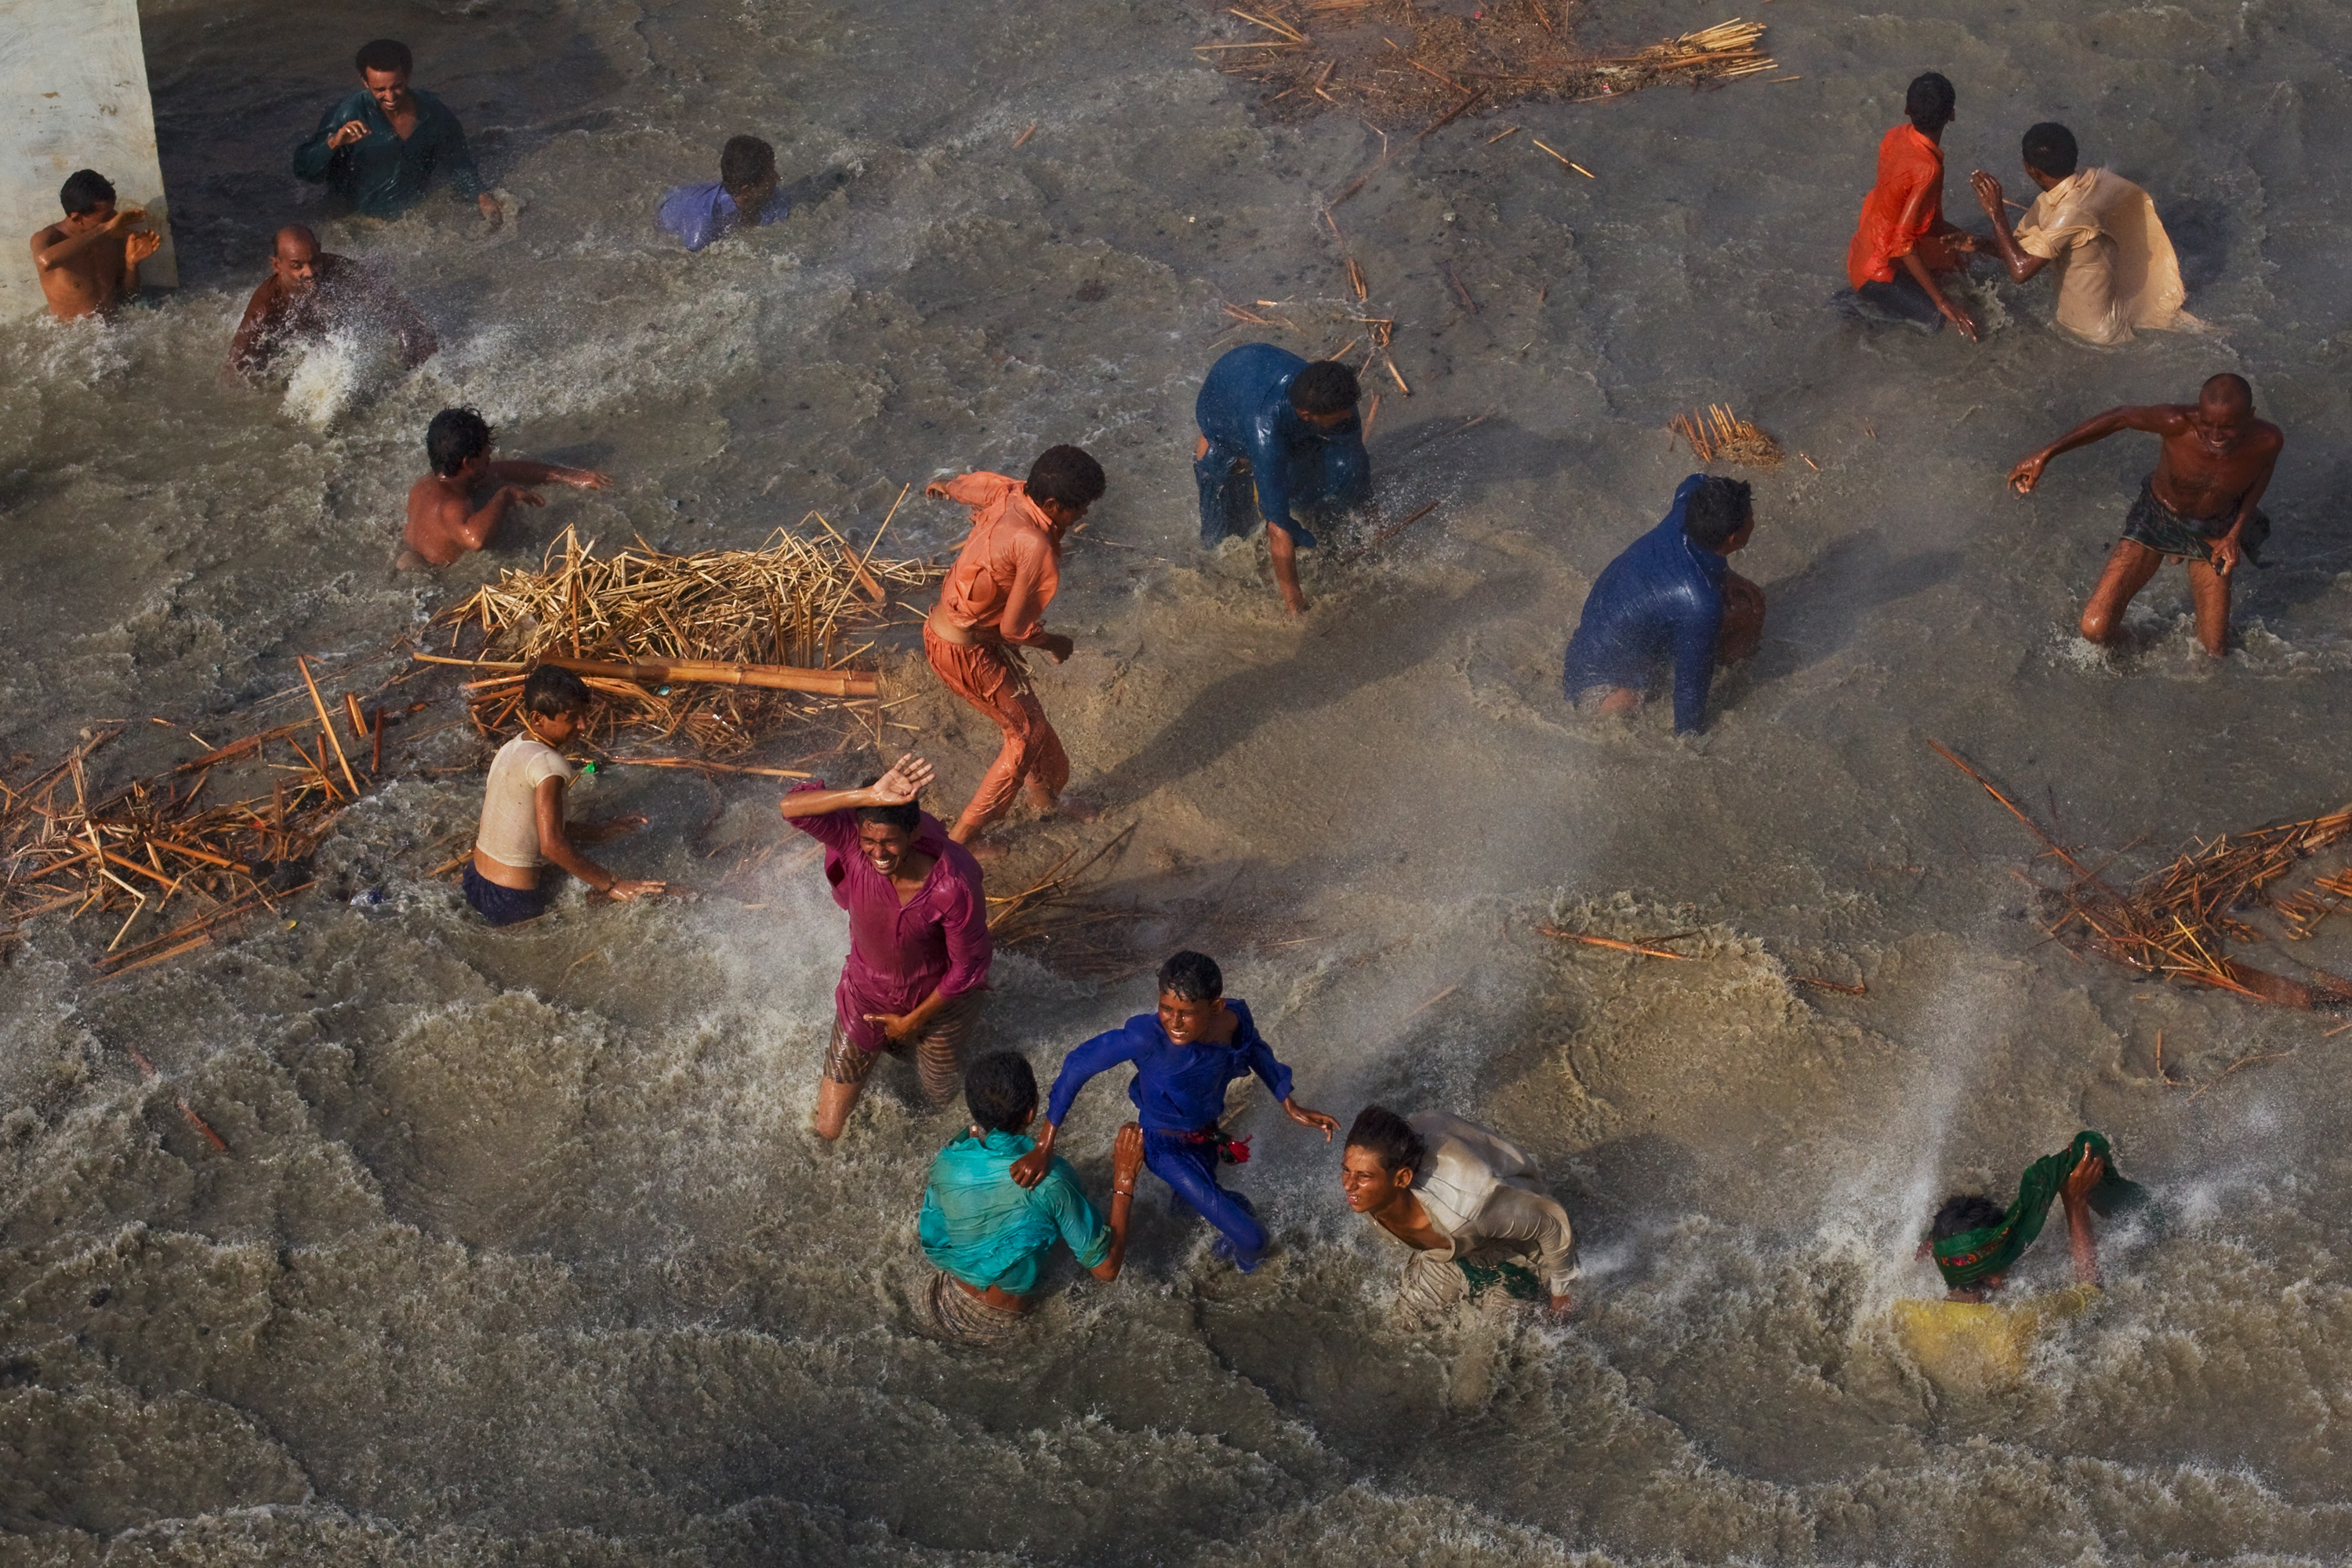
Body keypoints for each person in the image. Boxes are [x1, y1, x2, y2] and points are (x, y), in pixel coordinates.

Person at [1012, 950, 1338, 1274]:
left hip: (1205, 1137)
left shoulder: (1232, 1020)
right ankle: (1248, 1271)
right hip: (1163, 1147)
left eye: (1187, 1013)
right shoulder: (1147, 1038)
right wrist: (1044, 1145)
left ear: (1215, 1008)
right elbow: (1078, 1065)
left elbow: (1254, 1049)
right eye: (1166, 1009)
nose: (1174, 1023)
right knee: (1253, 1238)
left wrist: (1288, 1101)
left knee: (1186, 1210)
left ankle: (1204, 1246)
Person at [780, 753, 992, 1140]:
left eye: (890, 843)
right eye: (870, 841)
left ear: (913, 836)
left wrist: (912, 1021)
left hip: (940, 1004)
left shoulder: (951, 884)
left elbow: (969, 967)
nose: (878, 854)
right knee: (827, 1130)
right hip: (866, 997)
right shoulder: (853, 845)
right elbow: (791, 808)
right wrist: (867, 794)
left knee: (937, 1098)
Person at [2008, 374, 2283, 656]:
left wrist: (2234, 534)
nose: (2214, 435)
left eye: (2227, 427)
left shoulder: (2268, 440)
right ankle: (2142, 648)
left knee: (2213, 651)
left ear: (2249, 416)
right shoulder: (2176, 422)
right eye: (2206, 423)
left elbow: (2261, 476)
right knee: (2095, 629)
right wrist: (2047, 453)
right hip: (2157, 516)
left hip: (2215, 529)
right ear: (2198, 412)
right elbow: (2120, 417)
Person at [923, 446, 1105, 849]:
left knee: (1034, 730)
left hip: (951, 632)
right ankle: (963, 839)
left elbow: (978, 487)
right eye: (1080, 508)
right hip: (965, 652)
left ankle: (1044, 798)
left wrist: (946, 487)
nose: (1084, 516)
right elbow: (1015, 628)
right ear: (1053, 504)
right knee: (1025, 732)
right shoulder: (1034, 545)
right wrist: (1057, 643)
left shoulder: (1014, 494)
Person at [916, 1052, 1145, 1344]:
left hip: (941, 1298)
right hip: (997, 1326)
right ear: (1031, 1112)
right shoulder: (1051, 1180)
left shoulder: (950, 1160)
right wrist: (1124, 1178)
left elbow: (936, 1232)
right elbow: (1107, 1268)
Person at [1893, 1131, 2145, 1388]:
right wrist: (2075, 1201)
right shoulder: (2016, 1324)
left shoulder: (1904, 1315)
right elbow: (2093, 1296)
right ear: (1989, 1273)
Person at [1561, 474, 1764, 734]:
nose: (1754, 521)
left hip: (1594, 642)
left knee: (1742, 605)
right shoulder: (1700, 603)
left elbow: (1696, 480)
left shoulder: (1687, 503)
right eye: (1751, 519)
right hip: (1597, 682)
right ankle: (1740, 672)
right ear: (1734, 539)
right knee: (1750, 611)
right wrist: (1689, 745)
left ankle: (1730, 663)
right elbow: (1690, 690)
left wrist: (1724, 574)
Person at [1339, 1106, 1579, 1323]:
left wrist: (1561, 1293)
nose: (1349, 1185)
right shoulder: (1371, 1189)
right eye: (1346, 1170)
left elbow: (1550, 1223)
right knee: (1406, 1323)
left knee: (1492, 1344)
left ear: (1402, 1178)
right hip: (1456, 1251)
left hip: (1519, 1252)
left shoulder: (1466, 1207)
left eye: (1363, 1177)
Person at [466, 666, 664, 925]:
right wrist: (613, 885)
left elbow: (534, 825)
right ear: (538, 719)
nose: (583, 726)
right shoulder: (550, 765)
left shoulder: (511, 747)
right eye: (571, 718)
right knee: (649, 897)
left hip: (475, 881)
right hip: (512, 901)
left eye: (584, 714)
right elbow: (552, 846)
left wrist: (603, 831)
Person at [1969, 123, 2194, 347]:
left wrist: (1996, 214)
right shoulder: (2095, 180)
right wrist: (1981, 245)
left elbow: (2021, 270)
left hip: (2088, 337)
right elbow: (2023, 251)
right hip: (2108, 325)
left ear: (2030, 169)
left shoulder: (2070, 213)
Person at [1194, 344, 1370, 615]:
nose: (1349, 418)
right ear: (1307, 416)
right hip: (1226, 430)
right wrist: (1296, 607)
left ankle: (1323, 534)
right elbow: (1278, 526)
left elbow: (1359, 472)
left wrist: (1373, 530)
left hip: (1258, 373)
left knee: (1346, 469)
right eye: (1339, 417)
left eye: (1349, 411)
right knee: (1223, 545)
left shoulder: (1332, 398)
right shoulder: (1266, 430)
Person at [292, 39, 498, 221]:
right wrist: (334, 143)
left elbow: (458, 161)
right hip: (358, 221)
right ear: (364, 82)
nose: (390, 97)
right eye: (380, 90)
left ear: (407, 75)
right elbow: (304, 170)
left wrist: (480, 195)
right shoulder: (346, 114)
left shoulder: (434, 113)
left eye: (396, 86)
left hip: (413, 219)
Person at [1844, 72, 1981, 338]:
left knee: (1960, 263)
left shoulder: (1894, 137)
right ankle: (1858, 311)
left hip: (1863, 248)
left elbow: (1894, 209)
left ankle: (1869, 299)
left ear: (1907, 109)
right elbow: (1903, 244)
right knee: (1942, 323)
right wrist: (1942, 302)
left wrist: (1963, 239)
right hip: (1876, 270)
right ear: (1951, 115)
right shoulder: (1928, 169)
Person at [402, 407, 612, 568]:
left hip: (413, 558)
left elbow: (502, 470)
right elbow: (476, 540)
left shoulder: (424, 485)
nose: (491, 453)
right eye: (486, 450)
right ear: (469, 463)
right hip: (438, 573)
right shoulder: (452, 506)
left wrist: (568, 476)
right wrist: (506, 495)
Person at [227, 225, 437, 379]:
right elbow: (236, 365)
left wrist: (414, 367)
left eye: (314, 261)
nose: (309, 273)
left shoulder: (339, 271)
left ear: (320, 249)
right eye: (297, 266)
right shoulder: (266, 303)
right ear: (277, 266)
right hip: (286, 354)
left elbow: (399, 312)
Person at [27, 170, 161, 321]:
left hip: (115, 328)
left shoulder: (111, 238)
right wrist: (105, 228)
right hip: (76, 338)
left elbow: (128, 296)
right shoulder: (48, 238)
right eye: (106, 217)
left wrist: (132, 264)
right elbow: (45, 261)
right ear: (77, 218)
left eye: (113, 211)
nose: (114, 218)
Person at [658, 136, 791, 252]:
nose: (777, 178)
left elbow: (783, 219)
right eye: (770, 174)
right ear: (747, 190)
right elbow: (690, 254)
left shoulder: (767, 194)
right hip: (669, 214)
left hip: (693, 197)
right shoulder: (704, 226)